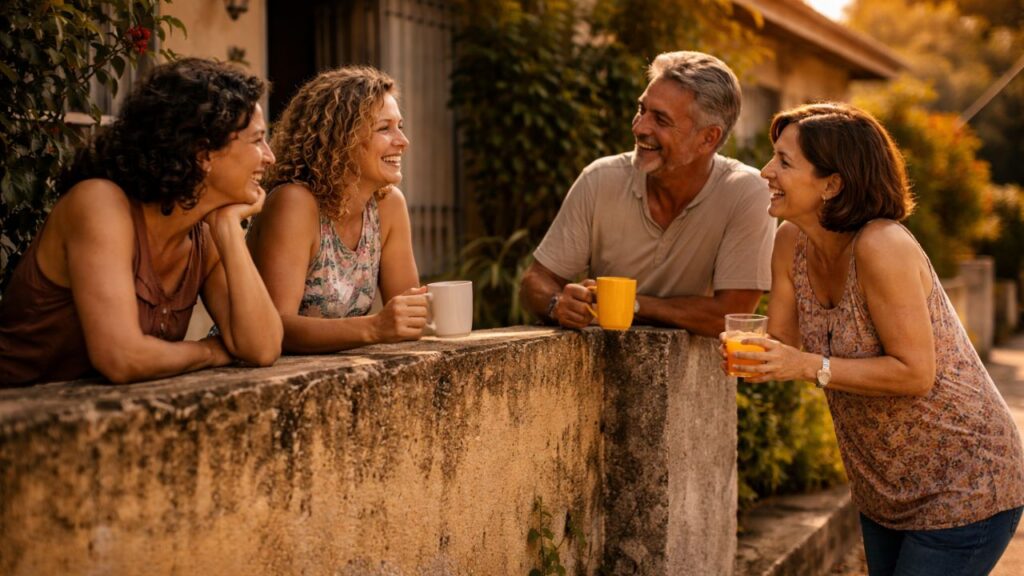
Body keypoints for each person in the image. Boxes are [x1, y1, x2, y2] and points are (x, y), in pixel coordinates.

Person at [729, 102, 1024, 575]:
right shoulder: (790, 242)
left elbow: (915, 373)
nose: (766, 171)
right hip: (884, 488)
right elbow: (782, 342)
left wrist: (806, 366)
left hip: (967, 481)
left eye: (784, 162)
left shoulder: (881, 245)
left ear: (833, 183)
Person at [0, 58, 283, 385]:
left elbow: (262, 348)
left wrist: (228, 229)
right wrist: (209, 351)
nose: (269, 156)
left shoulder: (204, 235)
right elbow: (122, 358)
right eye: (257, 140)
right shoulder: (99, 204)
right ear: (204, 154)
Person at [519, 51, 775, 337]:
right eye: (642, 110)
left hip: (696, 380)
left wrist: (632, 305)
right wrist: (556, 303)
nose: (640, 128)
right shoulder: (600, 179)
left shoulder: (746, 192)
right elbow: (536, 280)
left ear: (708, 138)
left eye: (661, 120)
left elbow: (728, 317)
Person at [247, 66, 427, 353]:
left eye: (400, 126)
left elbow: (408, 320)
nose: (402, 142)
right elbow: (276, 326)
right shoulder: (294, 203)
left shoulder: (389, 205)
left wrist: (416, 316)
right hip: (259, 374)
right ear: (341, 138)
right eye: (384, 128)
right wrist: (374, 328)